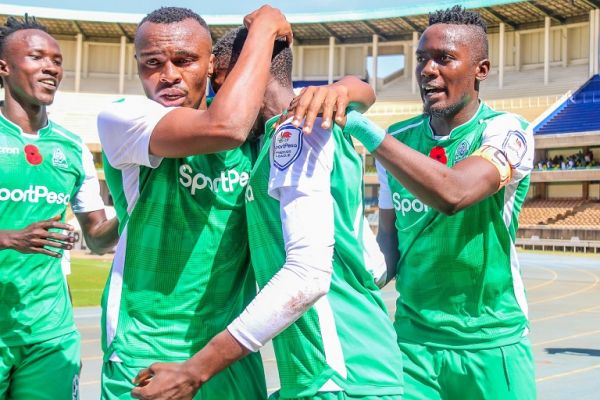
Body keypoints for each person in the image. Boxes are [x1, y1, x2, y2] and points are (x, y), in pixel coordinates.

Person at [131, 26, 404, 400]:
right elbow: (371, 266)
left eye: (222, 88)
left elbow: (307, 276)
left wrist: (195, 371)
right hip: (331, 374)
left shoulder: (298, 131)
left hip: (341, 375)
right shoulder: (277, 139)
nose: (218, 101)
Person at [97, 6, 294, 399]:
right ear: (137, 66)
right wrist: (268, 23)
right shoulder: (123, 119)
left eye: (184, 61)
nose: (168, 74)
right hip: (146, 353)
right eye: (152, 63)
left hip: (228, 355)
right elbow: (224, 127)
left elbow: (334, 97)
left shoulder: (260, 139)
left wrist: (350, 89)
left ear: (211, 66)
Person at [343, 6, 535, 400]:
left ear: (481, 69)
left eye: (444, 58)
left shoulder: (506, 131)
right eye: (422, 59)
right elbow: (389, 247)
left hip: (491, 344)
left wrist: (364, 128)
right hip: (412, 348)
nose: (428, 69)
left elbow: (455, 193)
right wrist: (345, 280)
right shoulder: (401, 138)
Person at [0, 15, 118, 399]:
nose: (51, 68)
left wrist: (137, 204)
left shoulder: (72, 148)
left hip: (49, 333)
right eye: (37, 57)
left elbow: (98, 239)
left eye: (57, 60)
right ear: (4, 67)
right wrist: (8, 238)